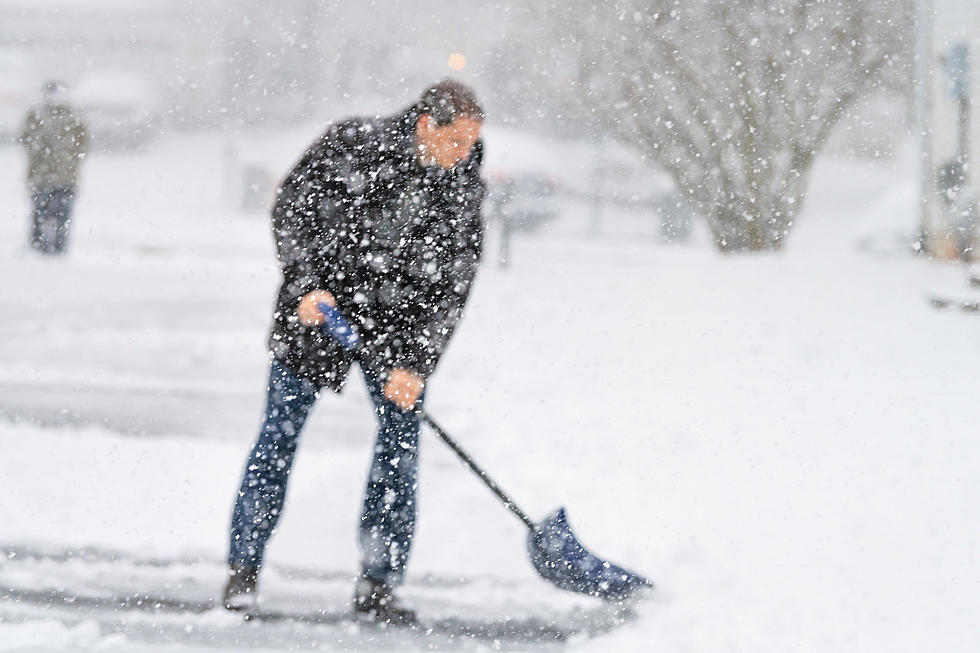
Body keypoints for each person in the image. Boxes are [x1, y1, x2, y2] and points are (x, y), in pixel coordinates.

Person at [224, 80, 486, 624]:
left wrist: (417, 365)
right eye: (456, 142)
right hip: (321, 311)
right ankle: (242, 572)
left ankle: (379, 585)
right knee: (278, 437)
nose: (464, 155)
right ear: (425, 126)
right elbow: (291, 209)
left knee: (399, 451)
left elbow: (455, 285)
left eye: (471, 143)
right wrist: (303, 283)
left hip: (399, 333)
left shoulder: (461, 187)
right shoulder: (350, 145)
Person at [19, 81, 89, 255]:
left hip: (57, 177)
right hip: (47, 177)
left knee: (56, 215)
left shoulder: (71, 116)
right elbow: (26, 139)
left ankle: (54, 248)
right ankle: (43, 247)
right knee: (46, 214)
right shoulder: (39, 115)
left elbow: (82, 143)